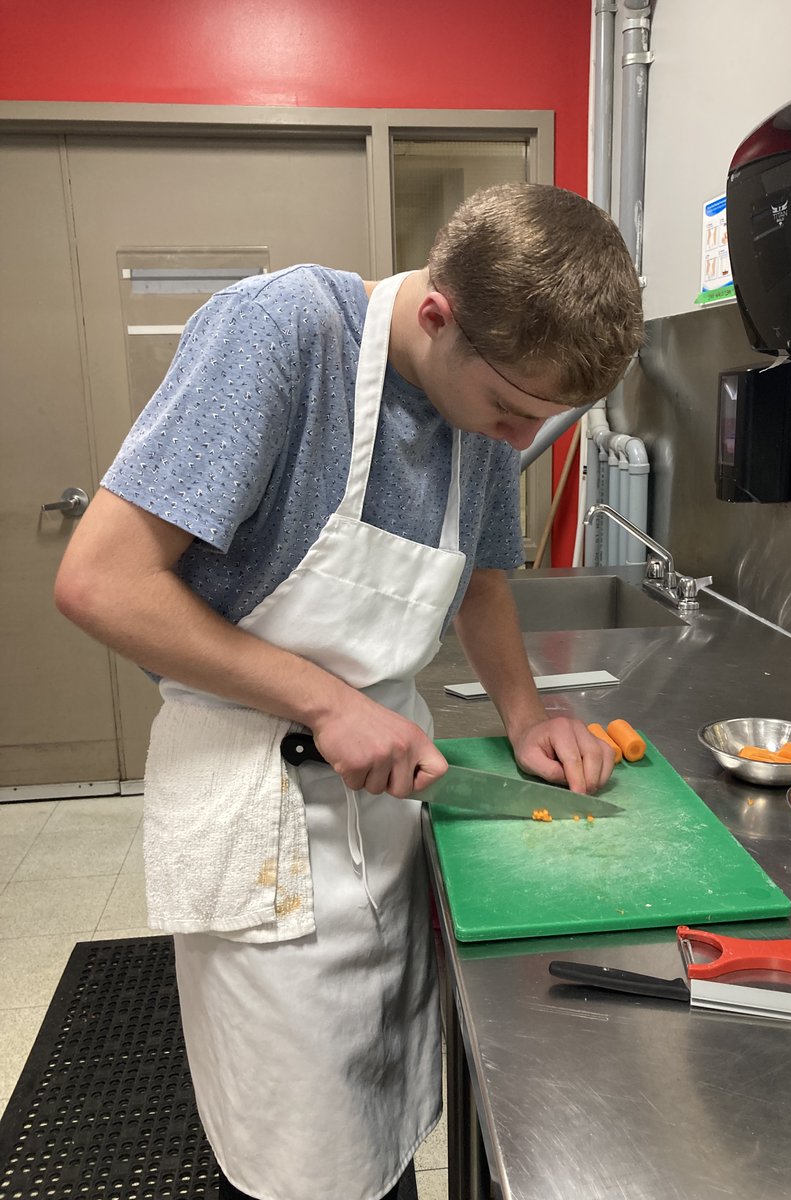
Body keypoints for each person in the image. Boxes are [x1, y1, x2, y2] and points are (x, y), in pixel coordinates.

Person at [54, 182, 643, 1200]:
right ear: (437, 316)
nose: (517, 442)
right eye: (511, 409)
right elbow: (101, 581)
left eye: (542, 420)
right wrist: (325, 702)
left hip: (389, 793)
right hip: (258, 798)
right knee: (295, 1151)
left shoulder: (485, 403)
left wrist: (527, 716)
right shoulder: (283, 336)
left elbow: (482, 579)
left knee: (379, 1112)